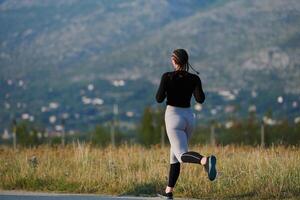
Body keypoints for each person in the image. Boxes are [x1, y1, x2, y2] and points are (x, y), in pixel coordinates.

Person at [156, 49, 217, 199]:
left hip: (173, 116)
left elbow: (159, 98)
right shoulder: (194, 78)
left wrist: (168, 90)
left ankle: (205, 161)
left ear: (174, 61)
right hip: (189, 117)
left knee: (182, 155)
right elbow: (200, 99)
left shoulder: (167, 77)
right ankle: (168, 191)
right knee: (174, 156)